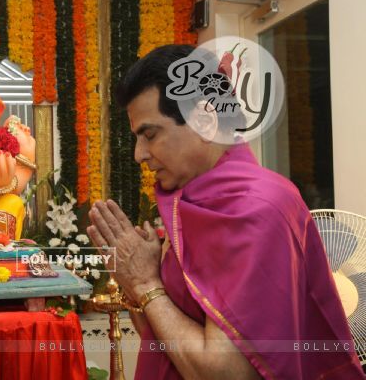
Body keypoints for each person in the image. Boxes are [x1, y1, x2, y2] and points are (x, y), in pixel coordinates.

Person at [87, 44, 364, 379]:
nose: (139, 154)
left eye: (150, 134)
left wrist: (146, 284)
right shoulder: (195, 203)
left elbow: (227, 372)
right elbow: (161, 335)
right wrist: (137, 285)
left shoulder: (256, 208)